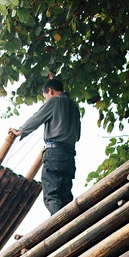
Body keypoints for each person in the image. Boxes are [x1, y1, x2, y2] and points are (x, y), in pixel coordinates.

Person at [10, 78, 82, 215]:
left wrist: (21, 130)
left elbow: (38, 117)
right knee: (66, 197)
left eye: (46, 97)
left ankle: (61, 228)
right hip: (70, 155)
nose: (46, 100)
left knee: (51, 196)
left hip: (54, 153)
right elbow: (77, 136)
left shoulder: (54, 101)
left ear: (50, 91)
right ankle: (73, 227)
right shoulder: (74, 107)